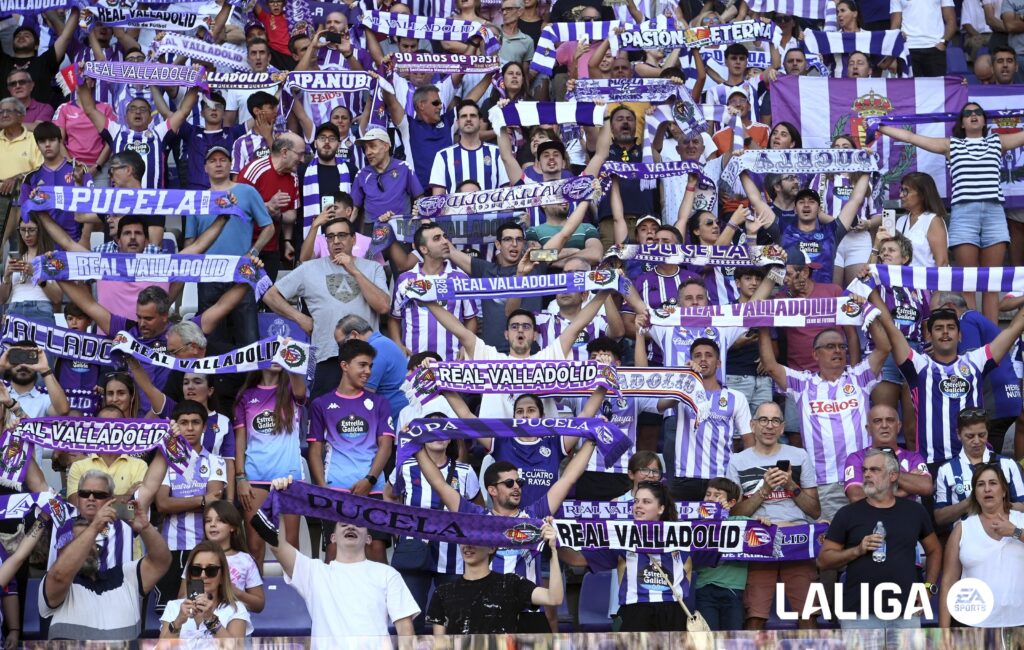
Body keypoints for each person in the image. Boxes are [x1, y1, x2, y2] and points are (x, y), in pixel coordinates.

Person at [880, 104, 1024, 322]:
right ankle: (971, 334)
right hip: (964, 215)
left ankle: (992, 341)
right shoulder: (951, 145)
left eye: (978, 113)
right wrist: (879, 127)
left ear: (985, 120)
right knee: (966, 280)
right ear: (962, 122)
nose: (973, 115)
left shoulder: (997, 141)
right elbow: (910, 137)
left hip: (994, 213)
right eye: (968, 113)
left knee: (991, 283)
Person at [758, 307, 890, 520]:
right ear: (815, 354)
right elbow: (771, 366)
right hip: (823, 482)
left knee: (869, 537)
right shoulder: (803, 384)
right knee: (829, 541)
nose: (837, 351)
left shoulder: (859, 377)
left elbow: (884, 348)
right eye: (830, 346)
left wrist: (866, 309)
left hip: (864, 477)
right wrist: (763, 325)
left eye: (841, 346)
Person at [252, 476, 419, 637]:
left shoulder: (388, 574)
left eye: (358, 524)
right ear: (333, 537)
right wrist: (279, 499)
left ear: (369, 538)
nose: (351, 527)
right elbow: (276, 545)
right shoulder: (314, 572)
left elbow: (405, 630)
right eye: (344, 524)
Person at [872, 295, 1024, 472]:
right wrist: (871, 291)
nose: (945, 332)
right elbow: (890, 327)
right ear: (929, 335)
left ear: (960, 335)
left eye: (951, 327)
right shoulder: (919, 365)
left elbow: (1013, 329)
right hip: (932, 462)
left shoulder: (976, 360)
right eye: (939, 328)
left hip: (975, 461)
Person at [262, 217, 390, 397]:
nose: (336, 241)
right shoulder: (309, 268)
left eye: (342, 235)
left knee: (367, 417)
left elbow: (383, 306)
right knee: (324, 417)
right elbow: (270, 296)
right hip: (327, 356)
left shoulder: (372, 268)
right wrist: (299, 317)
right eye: (330, 237)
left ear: (353, 239)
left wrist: (353, 270)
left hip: (366, 358)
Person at [818, 449, 942, 631]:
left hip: (905, 612)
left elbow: (934, 550)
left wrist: (928, 588)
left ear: (893, 476)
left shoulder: (915, 512)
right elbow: (823, 561)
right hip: (858, 614)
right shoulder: (847, 514)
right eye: (865, 470)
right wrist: (857, 550)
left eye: (875, 470)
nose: (867, 474)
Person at [727, 402, 821, 630]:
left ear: (782, 427)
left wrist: (791, 485)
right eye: (763, 420)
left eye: (775, 421)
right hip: (759, 541)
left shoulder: (799, 456)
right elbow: (734, 514)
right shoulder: (737, 460)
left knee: (807, 614)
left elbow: (815, 511)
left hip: (797, 540)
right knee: (755, 616)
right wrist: (764, 491)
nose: (769, 426)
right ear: (752, 425)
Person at [561, 481, 692, 632]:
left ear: (661, 508)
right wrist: (553, 543)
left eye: (646, 502)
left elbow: (717, 542)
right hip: (635, 613)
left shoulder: (682, 537)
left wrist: (723, 510)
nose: (638, 505)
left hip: (673, 613)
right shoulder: (621, 537)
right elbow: (576, 559)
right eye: (636, 501)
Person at [308, 339, 394, 562]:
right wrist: (321, 489)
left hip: (373, 490)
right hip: (336, 489)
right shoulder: (321, 404)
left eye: (370, 366)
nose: (368, 371)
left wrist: (370, 478)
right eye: (362, 365)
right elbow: (315, 450)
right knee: (334, 553)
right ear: (344, 365)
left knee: (375, 549)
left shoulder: (379, 403)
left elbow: (386, 445)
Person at [40, 500, 171, 640]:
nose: (87, 547)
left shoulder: (126, 577)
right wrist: (95, 526)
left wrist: (145, 528)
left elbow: (161, 561)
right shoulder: (53, 586)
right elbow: (60, 574)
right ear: (61, 551)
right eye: (78, 542)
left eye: (91, 541)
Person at [426, 519, 562, 634]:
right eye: (464, 538)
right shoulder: (443, 592)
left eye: (476, 540)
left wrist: (553, 551)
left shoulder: (511, 584)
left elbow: (554, 598)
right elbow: (440, 644)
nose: (468, 545)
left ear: (492, 548)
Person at [154, 401, 228, 610]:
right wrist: (200, 500)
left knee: (198, 609)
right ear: (176, 425)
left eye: (195, 422)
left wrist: (179, 502)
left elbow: (214, 505)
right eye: (184, 422)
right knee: (168, 611)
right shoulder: (166, 462)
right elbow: (161, 503)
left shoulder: (216, 461)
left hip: (203, 548)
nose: (189, 428)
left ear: (204, 427)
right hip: (170, 547)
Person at [233, 365, 306, 573]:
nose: (275, 358)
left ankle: (295, 602)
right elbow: (240, 441)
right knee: (255, 547)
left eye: (279, 353)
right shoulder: (245, 396)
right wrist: (240, 478)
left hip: (290, 477)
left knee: (291, 546)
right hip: (255, 477)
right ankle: (257, 601)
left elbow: (301, 392)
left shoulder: (293, 389)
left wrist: (292, 359)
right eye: (270, 352)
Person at [939, 465, 1024, 628]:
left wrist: (1015, 532)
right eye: (980, 484)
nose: (987, 489)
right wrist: (944, 632)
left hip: (1020, 622)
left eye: (993, 483)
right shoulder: (962, 529)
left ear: (1004, 491)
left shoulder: (1021, 521)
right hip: (973, 625)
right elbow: (948, 581)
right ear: (975, 494)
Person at [933, 409, 1024, 526]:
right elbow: (940, 517)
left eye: (982, 435)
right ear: (958, 434)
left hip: (1006, 536)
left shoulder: (1008, 464)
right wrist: (969, 502)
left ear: (987, 432)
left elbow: (1022, 506)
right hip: (965, 540)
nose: (976, 441)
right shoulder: (946, 470)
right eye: (970, 436)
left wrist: (997, 503)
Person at [159, 541, 253, 642]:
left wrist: (211, 620)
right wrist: (177, 622)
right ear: (189, 575)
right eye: (196, 570)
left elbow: (236, 648)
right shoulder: (173, 607)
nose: (203, 575)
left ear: (222, 576)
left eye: (211, 570)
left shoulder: (236, 609)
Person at [239, 133, 304, 277]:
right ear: (285, 152)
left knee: (266, 296)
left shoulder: (293, 177)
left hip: (271, 249)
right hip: (245, 247)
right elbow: (237, 208)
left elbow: (291, 216)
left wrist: (278, 214)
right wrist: (267, 206)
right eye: (300, 155)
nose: (302, 160)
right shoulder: (254, 170)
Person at [844, 406, 933, 503]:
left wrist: (879, 477)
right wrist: (902, 492)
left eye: (890, 420)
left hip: (907, 516)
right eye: (877, 421)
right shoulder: (856, 458)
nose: (884, 425)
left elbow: (926, 487)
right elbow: (856, 496)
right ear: (868, 429)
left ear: (898, 426)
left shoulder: (913, 457)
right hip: (870, 517)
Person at [193, 501, 265, 613]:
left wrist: (236, 592)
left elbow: (259, 605)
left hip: (235, 622)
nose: (212, 524)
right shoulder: (197, 556)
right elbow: (183, 597)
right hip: (200, 624)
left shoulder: (245, 560)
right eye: (208, 521)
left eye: (220, 520)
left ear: (233, 527)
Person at [335, 315, 409, 417]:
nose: (341, 351)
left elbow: (362, 397)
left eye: (342, 344)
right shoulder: (382, 342)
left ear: (354, 335)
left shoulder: (375, 349)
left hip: (393, 420)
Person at [891, 0, 956, 75]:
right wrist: (894, 55)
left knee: (936, 86)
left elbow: (951, 21)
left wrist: (944, 43)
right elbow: (895, 25)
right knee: (907, 86)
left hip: (935, 49)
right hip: (907, 49)